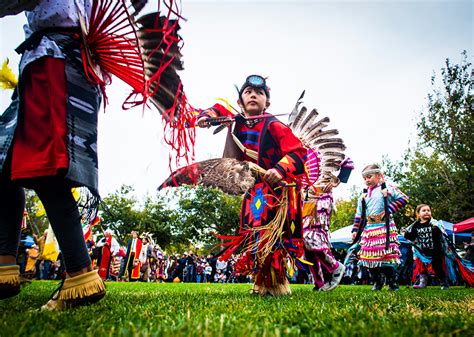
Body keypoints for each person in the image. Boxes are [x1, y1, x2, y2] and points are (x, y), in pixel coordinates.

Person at [0, 0, 105, 309]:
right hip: (53, 60)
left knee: (45, 167)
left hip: (57, 60)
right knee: (5, 159)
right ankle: (5, 261)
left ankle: (79, 271)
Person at [197, 75, 307, 296]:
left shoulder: (274, 125)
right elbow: (219, 108)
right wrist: (206, 117)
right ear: (240, 102)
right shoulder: (238, 121)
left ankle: (276, 286)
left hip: (277, 189)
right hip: (254, 189)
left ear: (268, 103)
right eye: (247, 92)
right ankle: (261, 283)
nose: (253, 95)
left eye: (259, 93)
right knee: (254, 237)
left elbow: (298, 152)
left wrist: (279, 169)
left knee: (271, 237)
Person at [350, 164, 409, 291]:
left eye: (369, 177)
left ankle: (393, 282)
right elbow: (359, 214)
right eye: (365, 178)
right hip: (369, 228)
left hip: (384, 227)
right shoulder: (363, 195)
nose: (367, 180)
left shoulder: (387, 188)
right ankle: (378, 280)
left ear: (378, 176)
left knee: (385, 255)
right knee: (368, 256)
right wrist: (355, 230)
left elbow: (404, 198)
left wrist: (389, 209)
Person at [302, 158, 353, 291]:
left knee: (312, 237)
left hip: (322, 199)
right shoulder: (300, 151)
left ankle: (335, 267)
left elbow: (348, 162)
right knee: (305, 244)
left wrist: (337, 180)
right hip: (306, 202)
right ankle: (319, 283)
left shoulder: (321, 149)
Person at [403, 204, 474, 289]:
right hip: (422, 251)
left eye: (428, 210)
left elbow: (442, 236)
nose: (427, 212)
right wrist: (406, 234)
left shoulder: (435, 224)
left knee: (438, 267)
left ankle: (444, 283)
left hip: (436, 250)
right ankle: (423, 282)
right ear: (418, 213)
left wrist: (436, 229)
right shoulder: (415, 225)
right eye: (424, 210)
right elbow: (412, 237)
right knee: (422, 267)